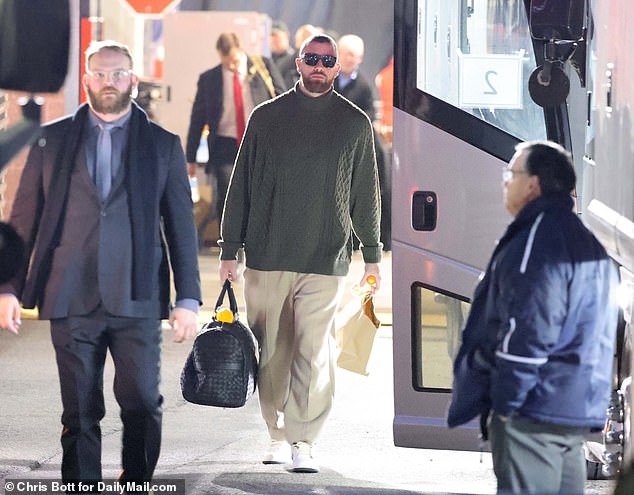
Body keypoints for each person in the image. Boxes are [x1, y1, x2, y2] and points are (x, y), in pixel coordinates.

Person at [0, 40, 201, 491]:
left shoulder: (163, 145)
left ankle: (137, 482)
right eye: (99, 73)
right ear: (86, 79)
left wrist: (187, 297)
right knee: (80, 411)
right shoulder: (49, 140)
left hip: (138, 294)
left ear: (133, 79)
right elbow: (22, 220)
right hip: (69, 293)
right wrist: (8, 288)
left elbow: (182, 227)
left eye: (117, 74)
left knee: (143, 403)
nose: (108, 82)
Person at [218, 34, 382, 474]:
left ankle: (303, 439)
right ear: (299, 63)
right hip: (267, 253)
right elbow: (241, 185)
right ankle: (274, 433)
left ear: (336, 68)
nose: (319, 67)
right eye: (312, 58)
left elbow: (366, 192)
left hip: (327, 256)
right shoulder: (266, 118)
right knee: (272, 351)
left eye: (327, 61)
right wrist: (229, 248)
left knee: (315, 352)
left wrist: (372, 254)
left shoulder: (354, 123)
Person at [447, 141, 619, 494]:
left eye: (512, 173)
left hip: (532, 412)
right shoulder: (588, 242)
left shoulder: (536, 242)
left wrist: (508, 406)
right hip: (571, 414)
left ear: (534, 185)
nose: (505, 181)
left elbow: (529, 331)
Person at [185, 32, 285, 251]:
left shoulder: (262, 67)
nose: (231, 66)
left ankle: (261, 241)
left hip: (260, 140)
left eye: (234, 61)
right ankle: (230, 245)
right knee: (227, 192)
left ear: (241, 50)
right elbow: (197, 118)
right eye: (226, 62)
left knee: (261, 192)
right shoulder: (209, 79)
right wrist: (190, 157)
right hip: (225, 142)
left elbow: (282, 98)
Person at [334, 34, 391, 251]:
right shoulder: (327, 79)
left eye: (358, 56)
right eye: (350, 55)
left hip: (355, 148)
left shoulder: (364, 87)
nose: (354, 60)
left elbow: (366, 119)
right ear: (339, 53)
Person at [269, 20, 296, 90]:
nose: (272, 39)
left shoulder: (295, 59)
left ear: (286, 35)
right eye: (270, 35)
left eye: (275, 35)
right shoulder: (268, 61)